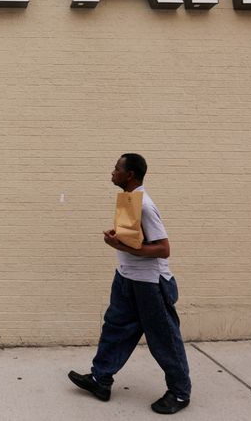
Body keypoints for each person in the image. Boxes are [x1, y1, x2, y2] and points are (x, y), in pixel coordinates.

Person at [68, 153, 191, 415]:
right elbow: (135, 239)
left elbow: (163, 249)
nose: (112, 172)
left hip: (150, 285)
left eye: (116, 169)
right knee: (115, 328)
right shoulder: (128, 200)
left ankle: (180, 392)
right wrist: (120, 240)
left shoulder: (145, 204)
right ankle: (101, 380)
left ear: (130, 175)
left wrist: (120, 246)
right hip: (126, 277)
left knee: (164, 339)